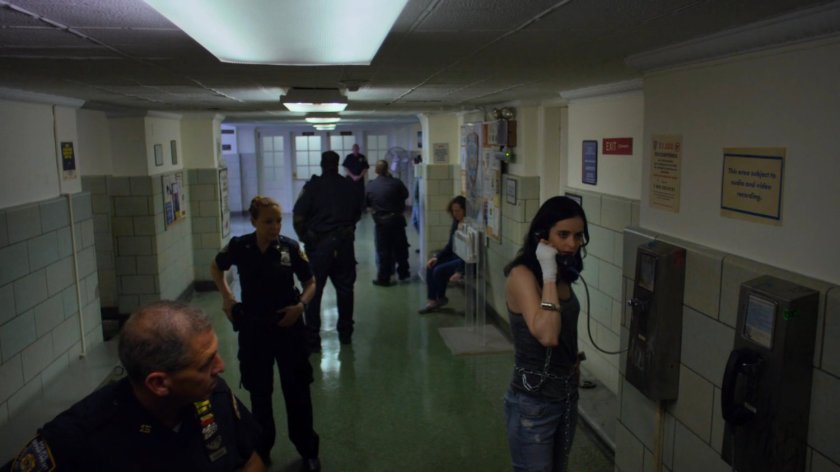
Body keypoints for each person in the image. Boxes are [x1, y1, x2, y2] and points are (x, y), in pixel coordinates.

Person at [4, 301, 264, 471]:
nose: (221, 367)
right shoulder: (79, 438)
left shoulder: (213, 394)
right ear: (159, 383)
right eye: (206, 363)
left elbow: (251, 460)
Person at [210, 196, 320, 472]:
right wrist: (227, 298)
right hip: (254, 329)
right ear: (254, 221)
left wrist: (301, 306)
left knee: (297, 390)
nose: (275, 227)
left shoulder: (290, 248)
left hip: (288, 327)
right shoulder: (241, 246)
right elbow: (216, 266)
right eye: (268, 221)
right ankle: (262, 446)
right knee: (259, 392)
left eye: (279, 221)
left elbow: (310, 281)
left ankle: (307, 449)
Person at [502, 196, 589, 472]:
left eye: (578, 236)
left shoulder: (564, 276)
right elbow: (548, 334)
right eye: (563, 235)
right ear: (542, 235)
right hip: (533, 401)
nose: (571, 244)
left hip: (565, 395)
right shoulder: (522, 276)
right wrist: (549, 273)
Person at [293, 150, 363, 350]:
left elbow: (298, 216)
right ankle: (345, 335)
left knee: (314, 291)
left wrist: (307, 239)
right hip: (344, 246)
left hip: (320, 246)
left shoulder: (312, 187)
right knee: (345, 290)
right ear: (338, 164)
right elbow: (358, 213)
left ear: (322, 165)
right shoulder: (349, 186)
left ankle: (313, 338)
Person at [417, 195, 467, 314]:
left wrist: (460, 271)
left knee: (438, 270)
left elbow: (470, 252)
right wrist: (436, 257)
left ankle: (441, 297)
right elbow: (450, 246)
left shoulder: (470, 225)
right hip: (455, 255)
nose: (455, 214)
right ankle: (433, 300)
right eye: (453, 211)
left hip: (464, 259)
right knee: (431, 266)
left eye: (458, 211)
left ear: (465, 210)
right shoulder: (456, 223)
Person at [366, 159, 410, 286]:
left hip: (381, 223)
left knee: (383, 251)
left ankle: (384, 278)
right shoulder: (396, 183)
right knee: (401, 248)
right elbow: (405, 195)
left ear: (376, 170)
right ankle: (403, 273)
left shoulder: (371, 185)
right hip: (397, 220)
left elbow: (367, 203)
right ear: (387, 169)